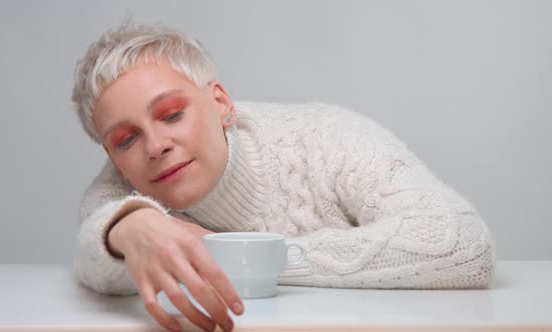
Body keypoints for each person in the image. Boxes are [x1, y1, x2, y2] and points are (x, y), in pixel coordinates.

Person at [71, 21, 496, 332]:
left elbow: (459, 243)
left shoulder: (329, 137)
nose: (155, 146)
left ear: (220, 102)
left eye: (172, 114)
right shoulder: (123, 189)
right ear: (112, 155)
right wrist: (129, 226)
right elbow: (94, 254)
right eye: (126, 140)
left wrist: (256, 260)